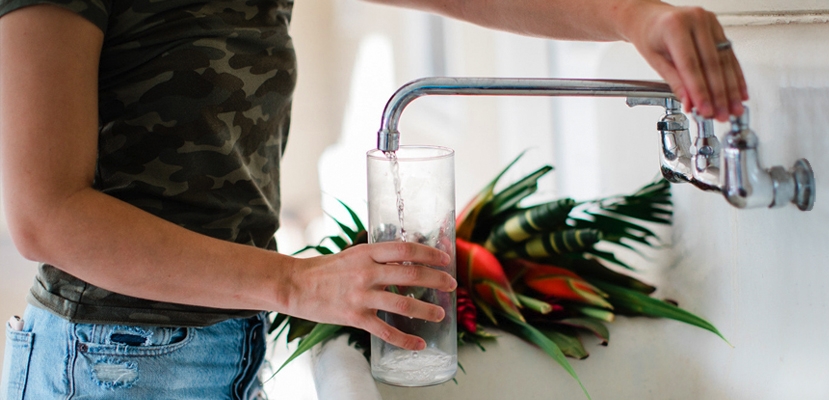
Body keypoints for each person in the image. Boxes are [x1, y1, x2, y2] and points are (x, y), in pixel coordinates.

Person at [0, 0, 746, 398]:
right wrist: (297, 282)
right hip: (107, 360)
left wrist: (632, 17)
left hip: (219, 339)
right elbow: (45, 214)